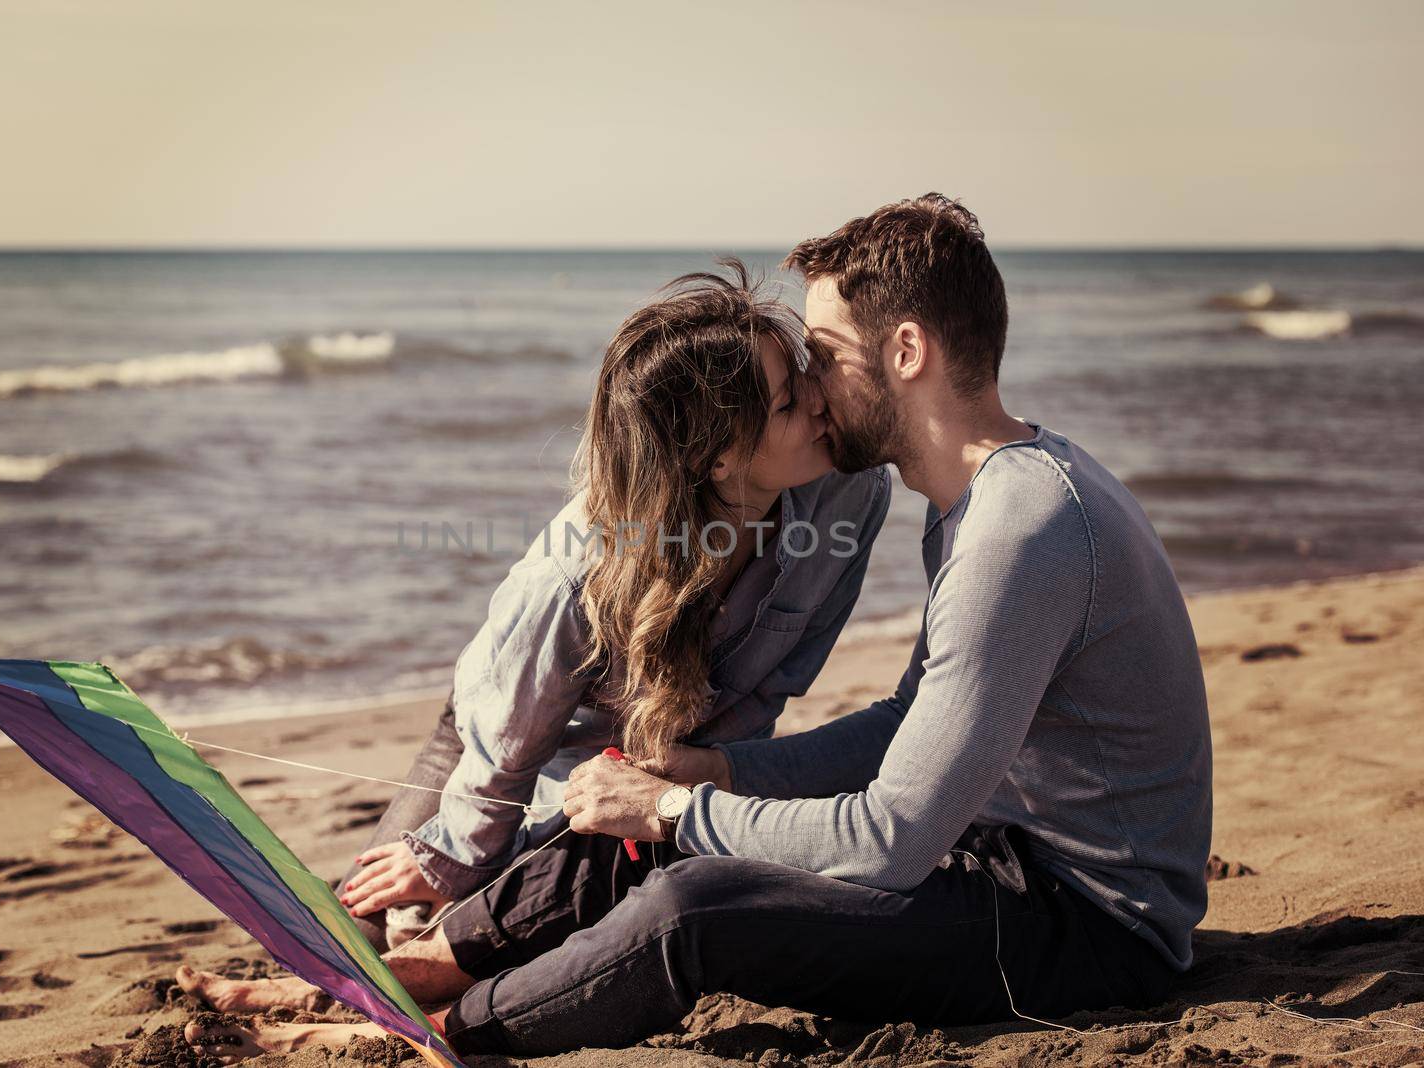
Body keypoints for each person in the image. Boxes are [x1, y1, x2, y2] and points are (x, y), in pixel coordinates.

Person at [182, 194, 1212, 1063]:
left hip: (1088, 927)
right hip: (999, 856)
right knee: (650, 812)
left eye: (825, 353)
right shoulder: (983, 503)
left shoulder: (1014, 529)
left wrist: (679, 814)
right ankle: (413, 974)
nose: (811, 385)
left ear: (905, 352)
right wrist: (710, 772)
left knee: (694, 904)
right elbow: (910, 718)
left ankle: (437, 1031)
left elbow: (891, 841)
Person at [176, 263, 892, 1015]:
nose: (819, 402)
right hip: (496, 729)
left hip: (662, 751)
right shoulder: (577, 569)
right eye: (789, 401)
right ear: (716, 457)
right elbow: (508, 746)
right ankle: (315, 960)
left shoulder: (850, 497)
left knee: (516, 923)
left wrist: (689, 777)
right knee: (387, 908)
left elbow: (773, 688)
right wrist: (453, 854)